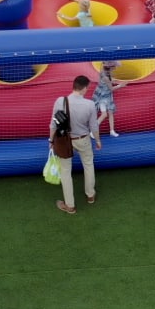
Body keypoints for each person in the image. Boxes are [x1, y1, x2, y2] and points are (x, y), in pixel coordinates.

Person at [50, 75, 100, 214]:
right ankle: (90, 195)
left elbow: (53, 124)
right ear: (84, 88)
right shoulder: (90, 104)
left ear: (74, 86)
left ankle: (70, 205)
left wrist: (51, 140)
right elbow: (94, 126)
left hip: (65, 141)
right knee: (88, 165)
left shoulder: (60, 101)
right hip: (83, 139)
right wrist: (98, 140)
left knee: (65, 172)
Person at [94, 61, 125, 137]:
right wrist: (120, 86)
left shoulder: (105, 72)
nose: (115, 68)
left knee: (111, 112)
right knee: (104, 114)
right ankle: (93, 129)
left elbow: (109, 80)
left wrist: (115, 81)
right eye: (114, 66)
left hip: (108, 96)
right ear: (110, 67)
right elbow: (111, 88)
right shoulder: (105, 77)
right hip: (102, 97)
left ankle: (112, 131)